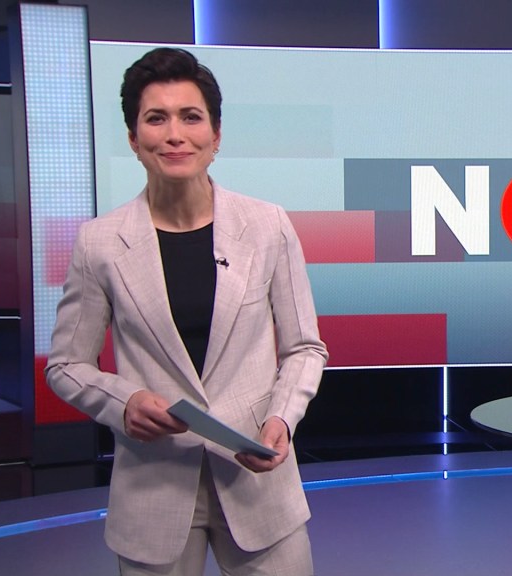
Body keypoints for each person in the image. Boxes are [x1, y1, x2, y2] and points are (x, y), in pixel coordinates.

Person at [46, 47, 328, 575]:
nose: (175, 134)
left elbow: (304, 348)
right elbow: (65, 365)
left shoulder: (267, 226)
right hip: (154, 486)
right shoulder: (98, 242)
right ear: (134, 139)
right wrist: (123, 401)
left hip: (258, 480)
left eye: (191, 117)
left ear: (216, 136)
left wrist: (282, 419)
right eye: (156, 119)